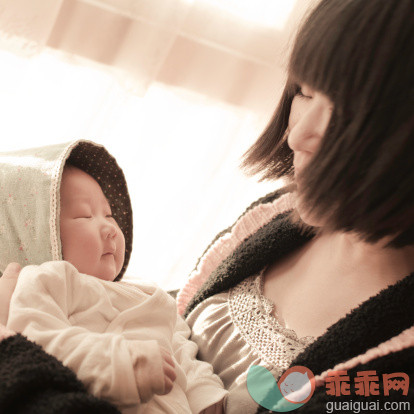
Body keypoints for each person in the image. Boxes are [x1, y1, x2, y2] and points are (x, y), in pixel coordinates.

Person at [176, 0, 414, 412]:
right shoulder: (275, 216)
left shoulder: (390, 377)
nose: (297, 134)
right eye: (304, 90)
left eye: (346, 111)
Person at [0, 140, 227, 414]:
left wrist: (203, 391)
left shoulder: (146, 292)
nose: (109, 227)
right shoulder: (45, 282)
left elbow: (181, 348)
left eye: (108, 213)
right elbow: (40, 342)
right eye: (85, 216)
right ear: (36, 237)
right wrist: (118, 362)